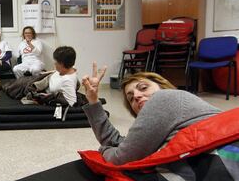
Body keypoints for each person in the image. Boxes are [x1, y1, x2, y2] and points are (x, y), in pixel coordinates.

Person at [81, 65, 221, 165]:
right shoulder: (164, 124)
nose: (136, 95)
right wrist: (93, 100)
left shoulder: (164, 98)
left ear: (162, 87)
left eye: (143, 88)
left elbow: (120, 159)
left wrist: (105, 150)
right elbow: (121, 142)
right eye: (130, 98)